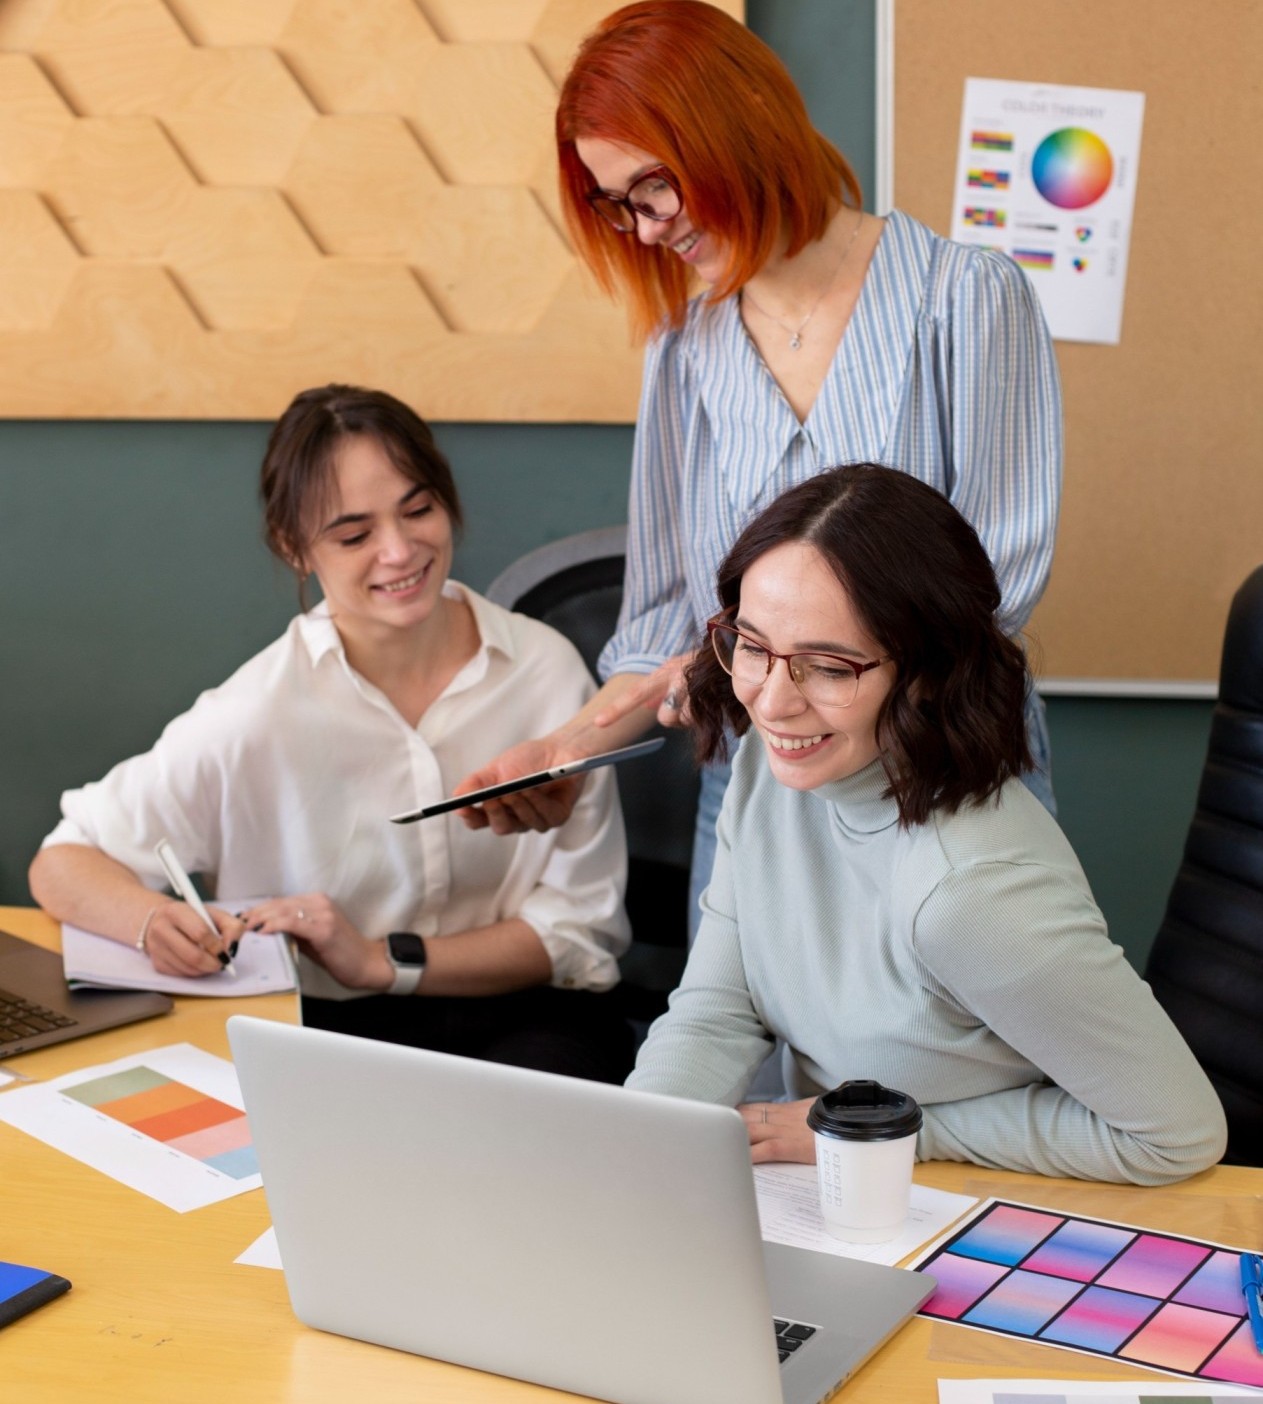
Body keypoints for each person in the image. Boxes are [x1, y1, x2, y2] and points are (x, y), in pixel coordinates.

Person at [458, 0, 1062, 945]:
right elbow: (669, 623)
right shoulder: (684, 350)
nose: (646, 230)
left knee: (947, 1078)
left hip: (937, 779)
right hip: (751, 788)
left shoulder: (965, 299)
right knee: (738, 1077)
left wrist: (773, 676)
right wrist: (570, 749)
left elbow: (990, 591)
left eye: (651, 187)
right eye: (619, 204)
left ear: (735, 124)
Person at [627, 464, 1226, 1186]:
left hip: (979, 1207)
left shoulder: (970, 892)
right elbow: (716, 1012)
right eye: (751, 646)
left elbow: (1176, 1137)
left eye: (828, 666)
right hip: (850, 1194)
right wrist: (632, 1161)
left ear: (927, 672)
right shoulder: (771, 768)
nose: (772, 703)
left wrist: (885, 1132)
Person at [28, 385, 633, 1083]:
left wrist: (379, 960)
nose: (400, 551)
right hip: (327, 1030)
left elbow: (576, 928)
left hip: (527, 1014)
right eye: (354, 535)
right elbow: (64, 861)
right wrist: (149, 922)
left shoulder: (544, 669)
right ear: (294, 546)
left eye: (419, 510)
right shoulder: (253, 712)